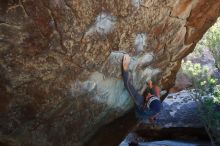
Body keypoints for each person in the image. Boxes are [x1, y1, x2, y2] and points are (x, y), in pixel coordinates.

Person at [122, 54, 161, 123]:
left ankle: (149, 118)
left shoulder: (140, 102)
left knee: (141, 113)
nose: (149, 94)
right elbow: (154, 95)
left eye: (148, 97)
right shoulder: (158, 104)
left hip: (140, 111)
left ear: (146, 102)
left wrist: (125, 68)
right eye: (152, 96)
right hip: (153, 110)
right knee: (156, 90)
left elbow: (127, 85)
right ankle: (152, 117)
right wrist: (150, 85)